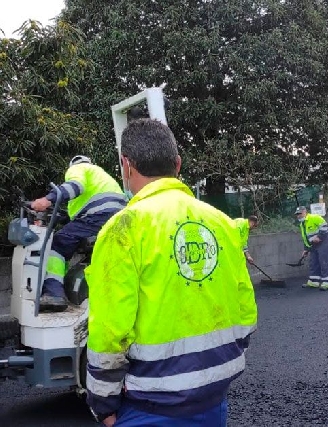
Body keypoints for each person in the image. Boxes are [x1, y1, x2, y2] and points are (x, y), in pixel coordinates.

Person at [84, 118, 258, 427]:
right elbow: (245, 308)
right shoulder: (222, 223)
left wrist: (104, 404)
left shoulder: (123, 228)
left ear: (126, 166)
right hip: (214, 397)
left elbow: (110, 331)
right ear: (177, 164)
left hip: (150, 406)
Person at [30, 155, 127, 311]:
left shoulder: (78, 169)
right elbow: (74, 216)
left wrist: (47, 200)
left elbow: (75, 186)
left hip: (98, 216)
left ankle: (54, 293)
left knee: (58, 244)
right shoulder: (101, 176)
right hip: (118, 220)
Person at [295, 206, 328, 290]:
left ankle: (326, 283)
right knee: (313, 262)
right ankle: (313, 281)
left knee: (324, 262)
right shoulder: (302, 224)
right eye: (297, 214)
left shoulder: (314, 217)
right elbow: (305, 238)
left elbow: (325, 227)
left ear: (305, 212)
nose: (298, 216)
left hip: (324, 242)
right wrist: (306, 249)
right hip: (314, 245)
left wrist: (319, 237)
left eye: (300, 213)